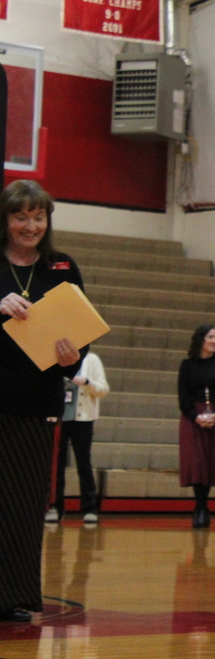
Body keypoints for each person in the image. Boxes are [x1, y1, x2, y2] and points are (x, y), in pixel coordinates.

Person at [0, 180, 85, 622]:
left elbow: (81, 332)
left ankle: (14, 596)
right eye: (21, 217)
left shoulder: (63, 267)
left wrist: (74, 358)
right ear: (5, 219)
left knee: (25, 506)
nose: (30, 226)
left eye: (38, 217)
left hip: (37, 404)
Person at [177, 324, 215, 529]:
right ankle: (200, 507)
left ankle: (203, 506)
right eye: (210, 337)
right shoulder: (187, 365)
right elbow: (183, 396)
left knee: (209, 464)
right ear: (200, 339)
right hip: (193, 418)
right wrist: (196, 416)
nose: (214, 341)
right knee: (197, 463)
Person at [47, 351, 109, 524]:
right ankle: (54, 507)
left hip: (83, 421)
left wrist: (87, 382)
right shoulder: (54, 358)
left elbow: (103, 389)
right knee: (56, 466)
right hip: (58, 419)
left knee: (83, 464)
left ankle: (89, 509)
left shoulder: (91, 359)